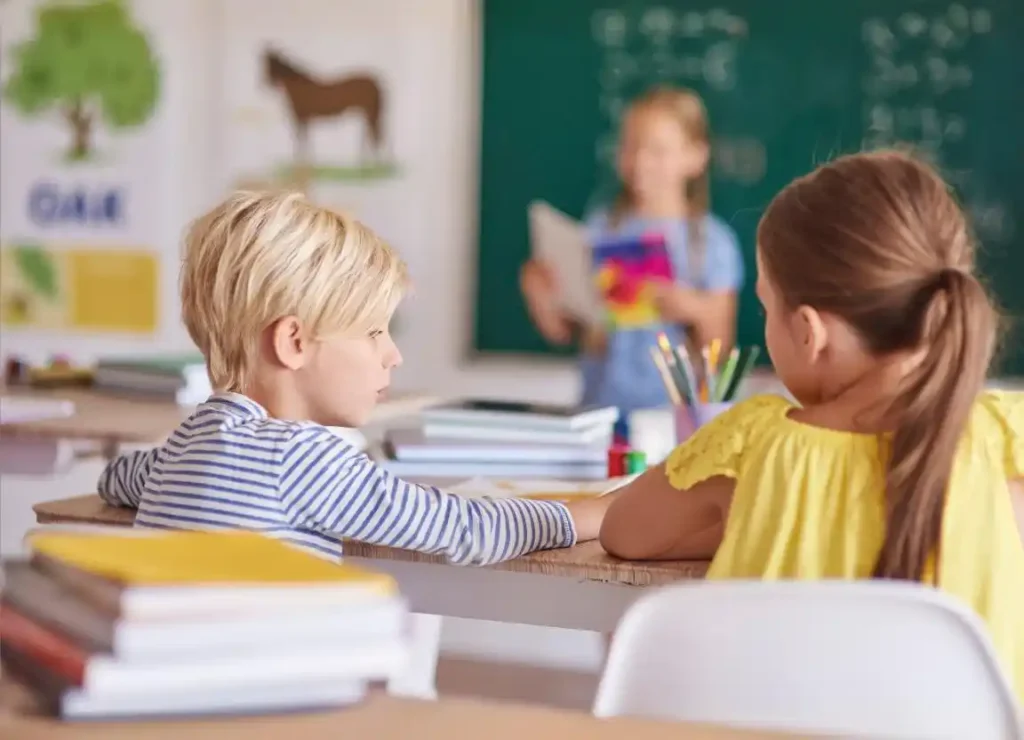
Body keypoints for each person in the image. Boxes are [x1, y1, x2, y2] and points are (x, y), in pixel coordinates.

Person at [598, 149, 1024, 702]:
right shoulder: (1001, 440)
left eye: (766, 307)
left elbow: (624, 533)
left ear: (808, 332)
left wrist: (747, 514)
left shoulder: (756, 444)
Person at [98, 190, 612, 566]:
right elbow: (465, 527)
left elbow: (116, 479)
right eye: (373, 332)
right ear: (293, 343)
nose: (393, 355)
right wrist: (588, 516)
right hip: (267, 695)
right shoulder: (302, 459)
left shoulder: (189, 441)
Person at [521, 87, 744, 434]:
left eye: (657, 150)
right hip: (600, 414)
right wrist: (541, 297)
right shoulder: (600, 229)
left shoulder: (711, 243)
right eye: (630, 146)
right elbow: (567, 331)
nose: (640, 161)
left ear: (696, 157)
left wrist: (693, 308)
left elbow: (720, 351)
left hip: (675, 424)